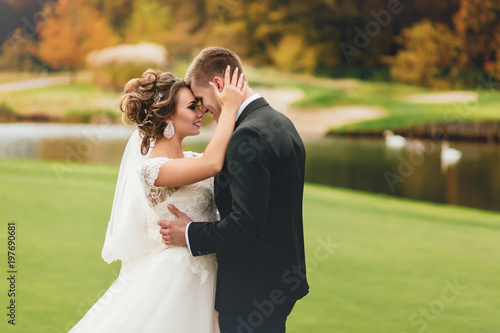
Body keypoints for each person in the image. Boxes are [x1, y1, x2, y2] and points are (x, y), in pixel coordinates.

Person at [68, 66, 247, 332]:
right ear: (168, 118)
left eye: (199, 105)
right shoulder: (154, 169)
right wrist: (230, 108)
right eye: (191, 107)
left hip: (208, 273)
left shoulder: (192, 159)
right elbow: (213, 165)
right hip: (179, 275)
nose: (200, 113)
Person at [160, 47, 309, 333]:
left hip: (251, 291)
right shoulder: (281, 123)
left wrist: (189, 233)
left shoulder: (246, 136)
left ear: (218, 85)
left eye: (201, 100)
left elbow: (246, 226)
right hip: (278, 282)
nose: (203, 109)